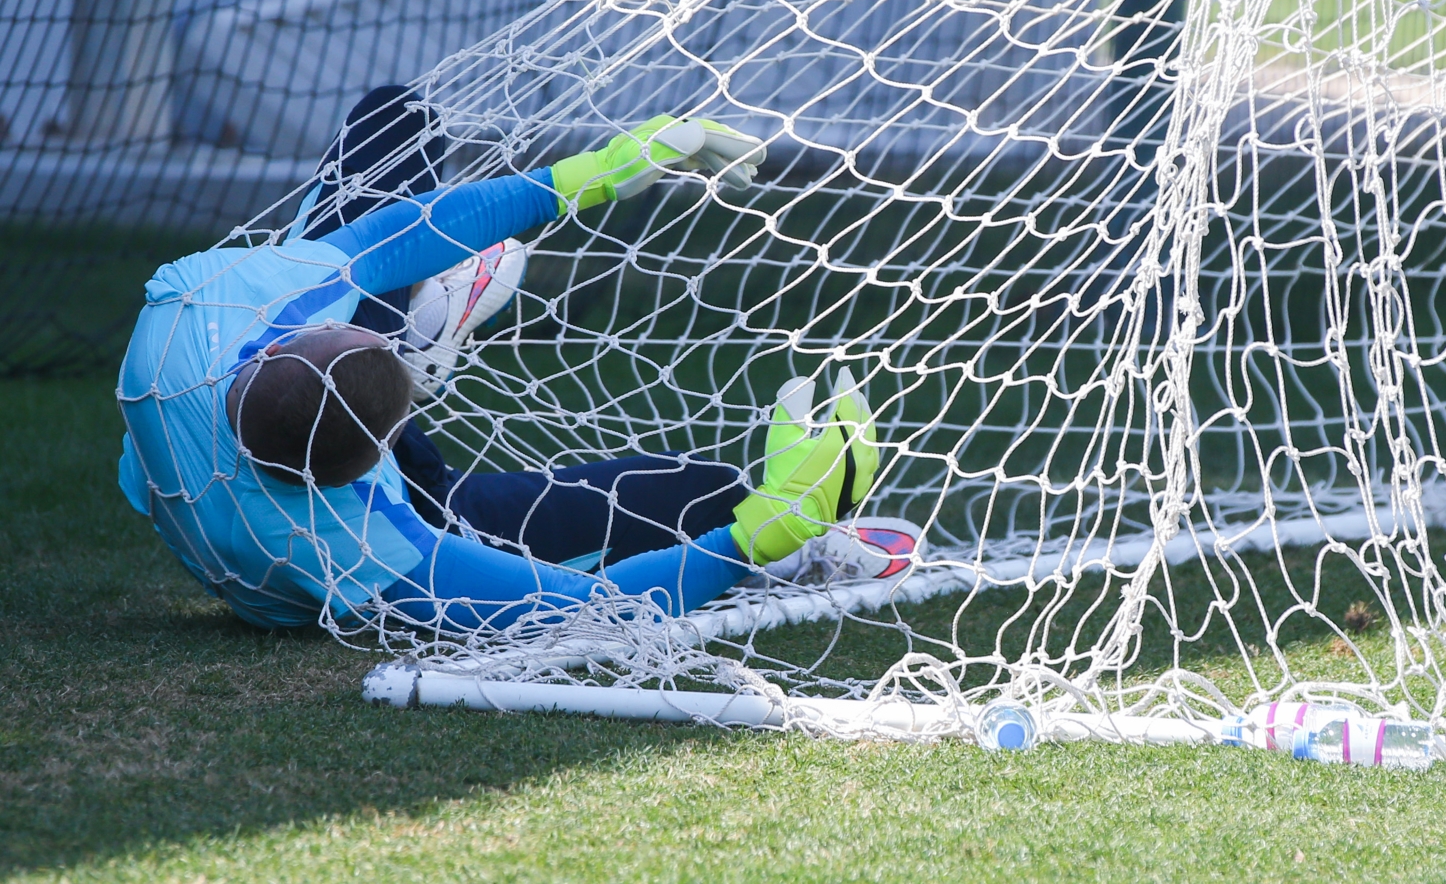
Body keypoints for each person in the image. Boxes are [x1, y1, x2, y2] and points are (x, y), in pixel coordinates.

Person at [116, 86, 879, 633]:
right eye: (367, 329)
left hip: (244, 426)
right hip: (407, 506)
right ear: (372, 456)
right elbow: (585, 608)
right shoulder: (379, 551)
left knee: (394, 123)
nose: (354, 317)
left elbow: (412, 231)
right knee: (702, 493)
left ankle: (420, 334)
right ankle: (419, 348)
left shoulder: (199, 308)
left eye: (362, 327)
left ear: (281, 341)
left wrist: (595, 173)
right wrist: (768, 530)